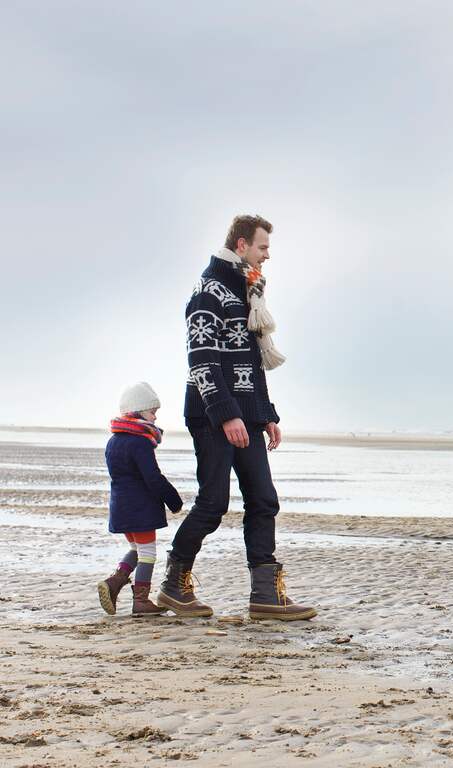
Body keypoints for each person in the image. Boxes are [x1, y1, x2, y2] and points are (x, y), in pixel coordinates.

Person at [156, 214, 316, 621]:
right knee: (213, 504)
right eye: (263, 247)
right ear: (242, 245)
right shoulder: (208, 290)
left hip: (247, 417)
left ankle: (266, 596)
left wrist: (265, 415)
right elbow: (202, 361)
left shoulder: (247, 292)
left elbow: (250, 364)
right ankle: (174, 585)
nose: (267, 255)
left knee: (264, 500)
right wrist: (227, 416)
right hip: (213, 416)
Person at [98, 382, 182, 617]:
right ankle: (141, 601)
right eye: (152, 411)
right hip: (140, 508)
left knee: (136, 549)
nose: (155, 417)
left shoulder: (113, 441)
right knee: (148, 553)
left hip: (120, 507)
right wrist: (173, 500)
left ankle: (115, 583)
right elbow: (152, 478)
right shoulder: (140, 442)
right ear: (136, 412)